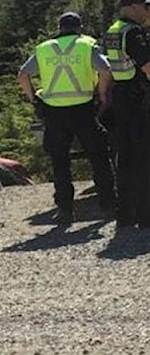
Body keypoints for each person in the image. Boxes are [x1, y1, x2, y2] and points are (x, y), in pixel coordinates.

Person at [17, 12, 117, 225]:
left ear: (59, 27)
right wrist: (101, 93)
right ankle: (108, 205)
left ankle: (64, 211)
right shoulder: (86, 46)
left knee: (60, 162)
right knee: (99, 157)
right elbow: (106, 69)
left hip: (54, 111)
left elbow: (22, 75)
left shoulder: (44, 49)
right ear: (79, 27)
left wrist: (34, 99)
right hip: (83, 109)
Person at [103, 0, 150, 229]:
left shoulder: (113, 31)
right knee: (143, 157)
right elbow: (147, 65)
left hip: (121, 95)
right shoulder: (134, 32)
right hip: (137, 96)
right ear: (133, 7)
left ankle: (125, 214)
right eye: (146, 7)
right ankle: (147, 213)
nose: (149, 11)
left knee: (124, 158)